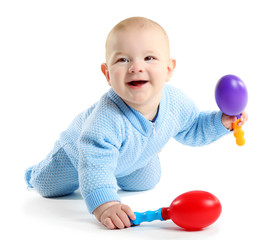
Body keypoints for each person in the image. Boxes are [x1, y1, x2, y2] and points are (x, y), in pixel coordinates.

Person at [25, 17, 248, 230]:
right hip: (75, 157)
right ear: (107, 74)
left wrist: (222, 122)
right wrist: (107, 205)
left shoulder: (176, 102)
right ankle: (34, 173)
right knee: (47, 186)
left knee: (147, 180)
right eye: (123, 60)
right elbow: (96, 165)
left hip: (130, 160)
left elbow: (193, 127)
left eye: (149, 58)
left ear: (169, 69)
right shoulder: (106, 120)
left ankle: (137, 156)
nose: (136, 67)